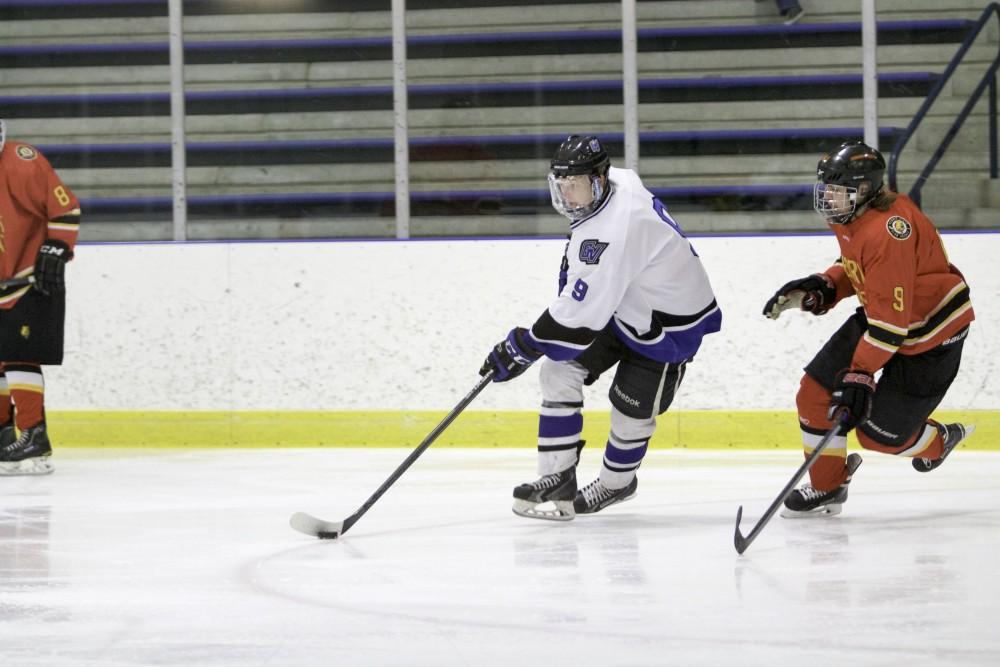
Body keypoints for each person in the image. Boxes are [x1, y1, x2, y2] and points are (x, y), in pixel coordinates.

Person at [479, 135, 722, 521]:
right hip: (626, 303)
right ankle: (556, 476)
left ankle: (616, 483)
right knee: (559, 370)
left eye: (576, 186)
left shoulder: (613, 232)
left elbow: (575, 319)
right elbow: (585, 302)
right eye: (562, 186)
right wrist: (533, 347)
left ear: (600, 179)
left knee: (631, 407)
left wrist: (520, 347)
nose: (568, 197)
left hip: (668, 326)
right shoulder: (619, 181)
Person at [763, 140, 975, 517]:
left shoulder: (888, 231)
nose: (827, 196)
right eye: (825, 186)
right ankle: (827, 486)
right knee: (813, 394)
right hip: (886, 316)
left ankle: (940, 441)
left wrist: (859, 375)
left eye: (836, 189)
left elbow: (891, 327)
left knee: (878, 436)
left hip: (932, 334)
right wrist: (823, 285)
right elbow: (860, 269)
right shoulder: (853, 215)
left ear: (863, 190)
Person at [0, 118, 81, 475]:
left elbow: (65, 207)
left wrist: (57, 246)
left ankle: (33, 436)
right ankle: (5, 434)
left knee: (19, 358)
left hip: (29, 277)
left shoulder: (22, 159)